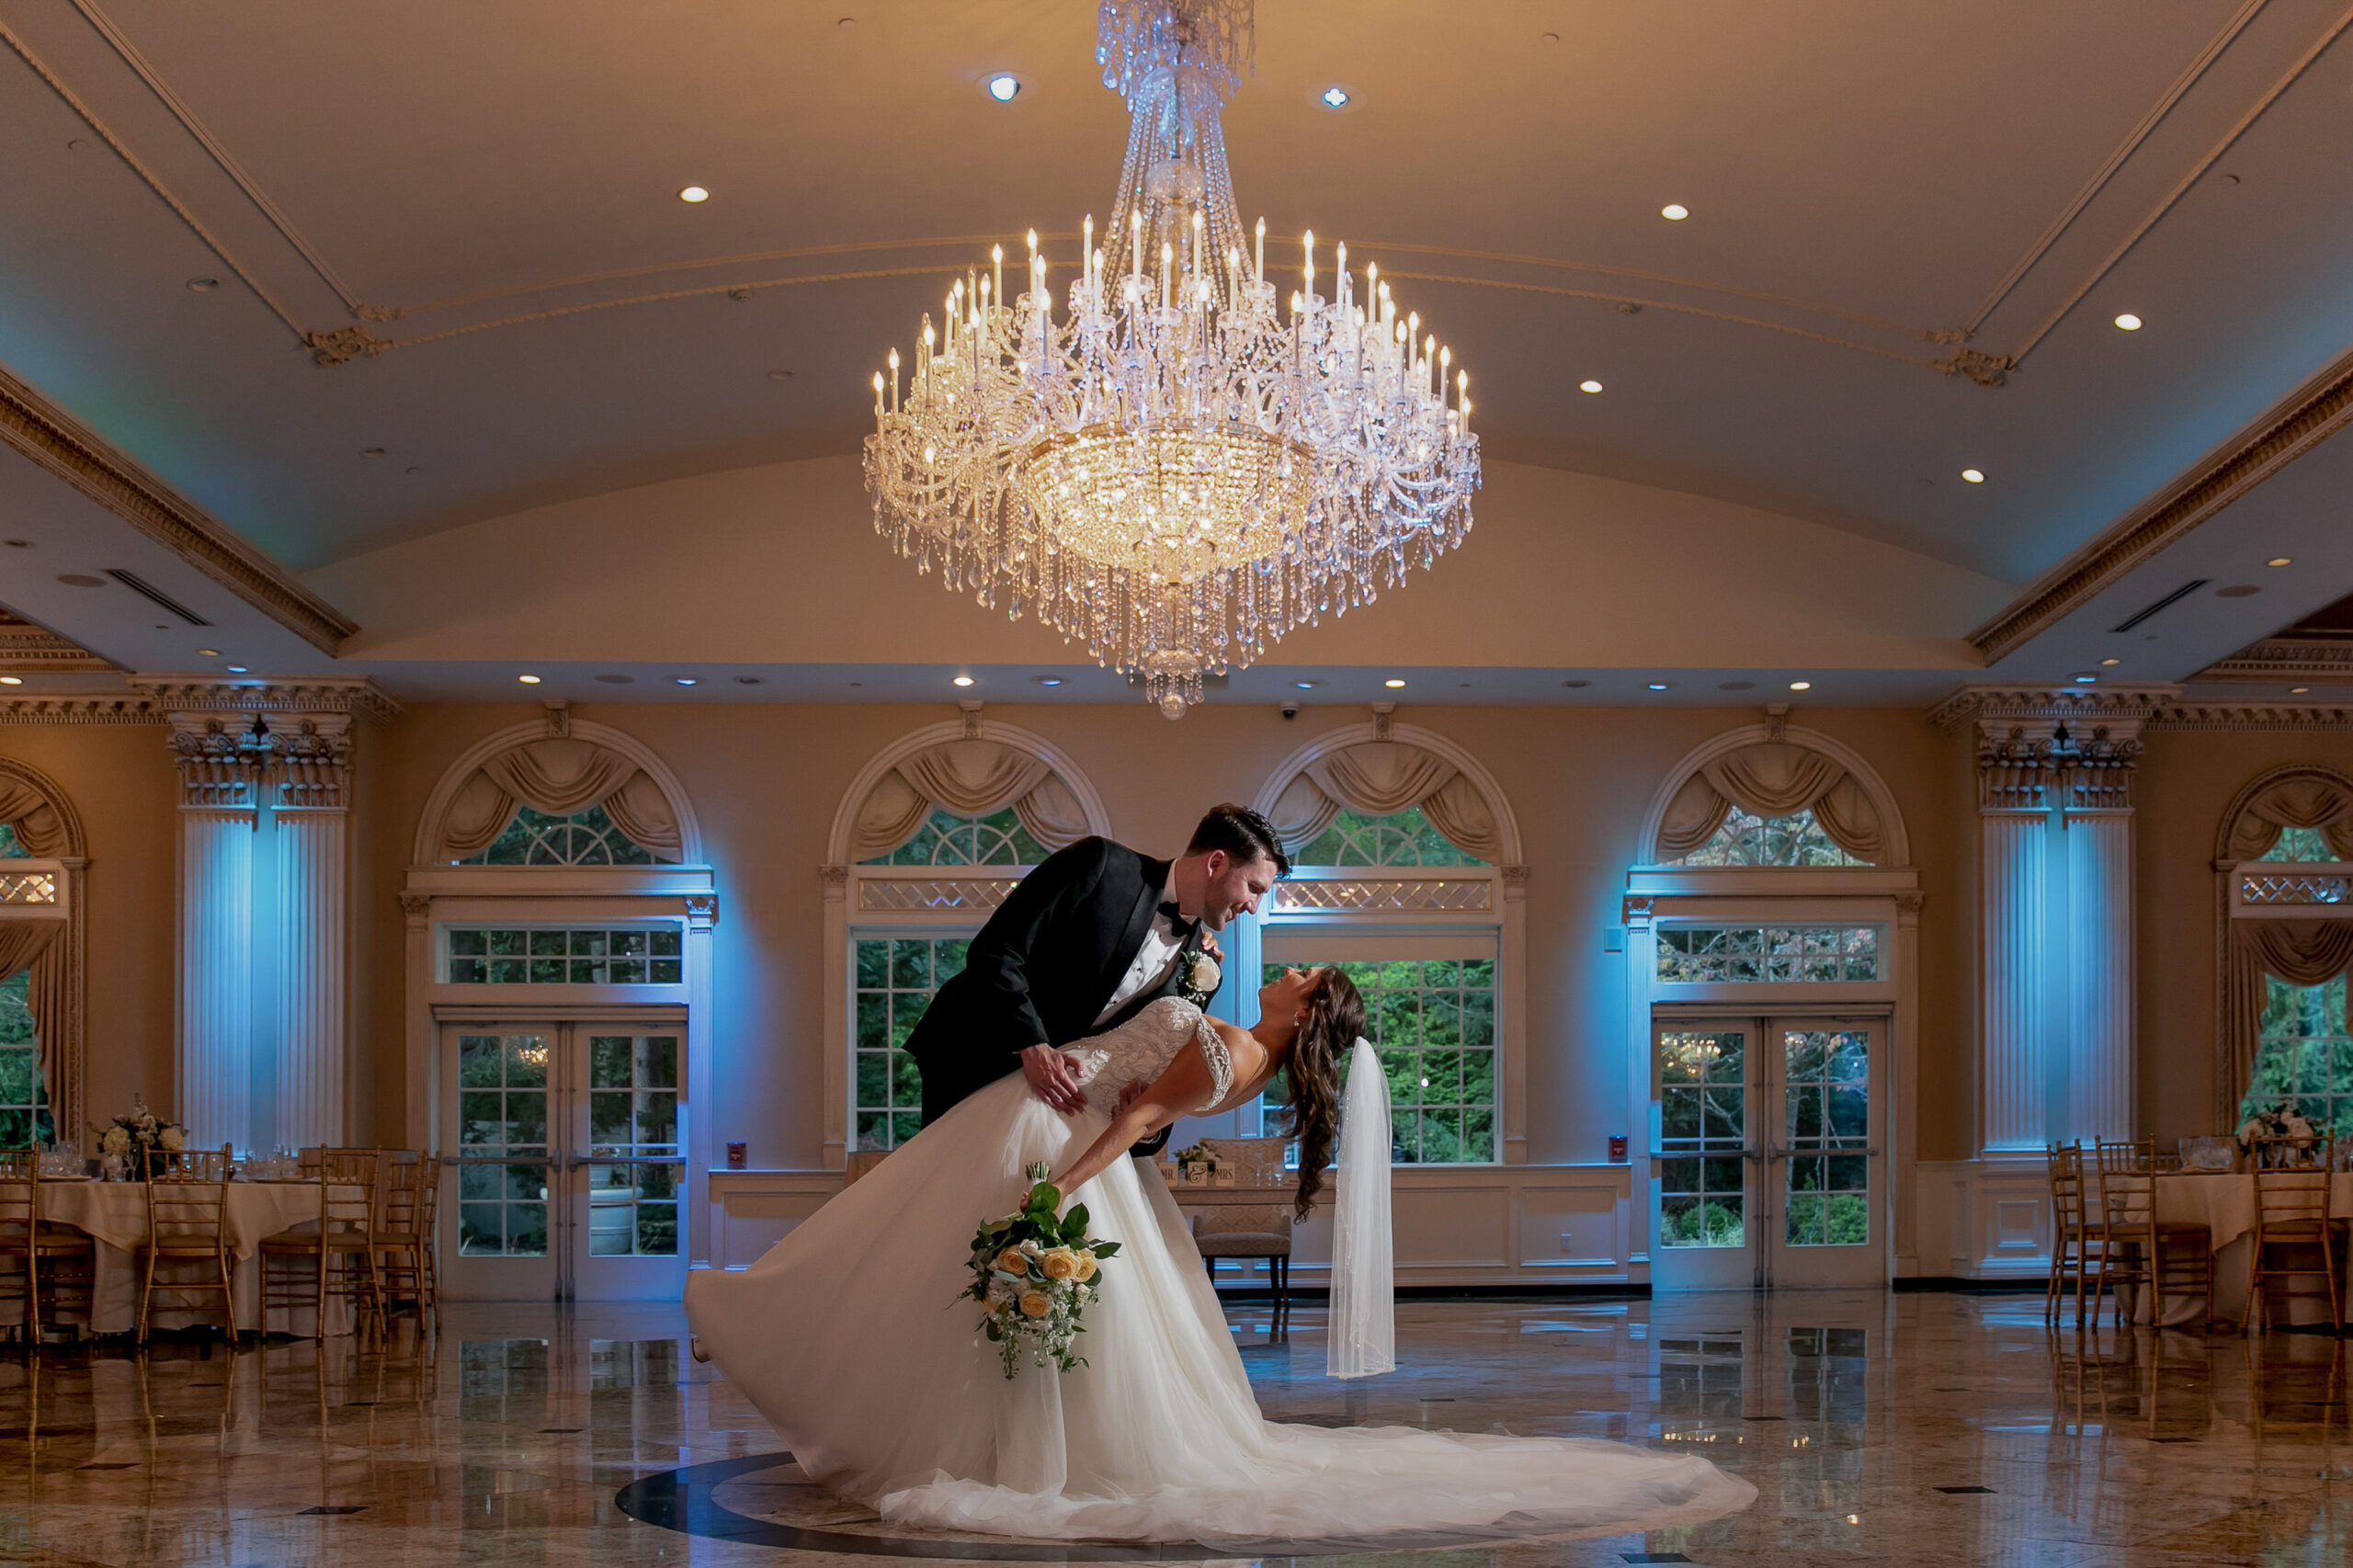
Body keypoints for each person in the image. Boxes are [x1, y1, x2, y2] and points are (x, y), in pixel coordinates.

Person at [685, 966, 1754, 1546]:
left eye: (1304, 975)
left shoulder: (1219, 1044)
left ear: (1302, 1011)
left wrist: (1062, 1180)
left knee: (918, 1266)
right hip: (1053, 1122)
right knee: (928, 1272)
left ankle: (941, 1420)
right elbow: (1149, 1110)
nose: (1287, 966)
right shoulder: (1233, 1050)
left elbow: (1137, 1111)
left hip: (1052, 1135)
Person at [905, 803, 1285, 1155]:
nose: (1253, 907)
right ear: (1216, 862)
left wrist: (1146, 1125)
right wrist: (1031, 1044)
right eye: (1253, 888)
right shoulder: (1102, 865)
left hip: (1060, 1114)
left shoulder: (1203, 968)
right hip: (973, 1058)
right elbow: (997, 949)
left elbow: (1162, 1069)